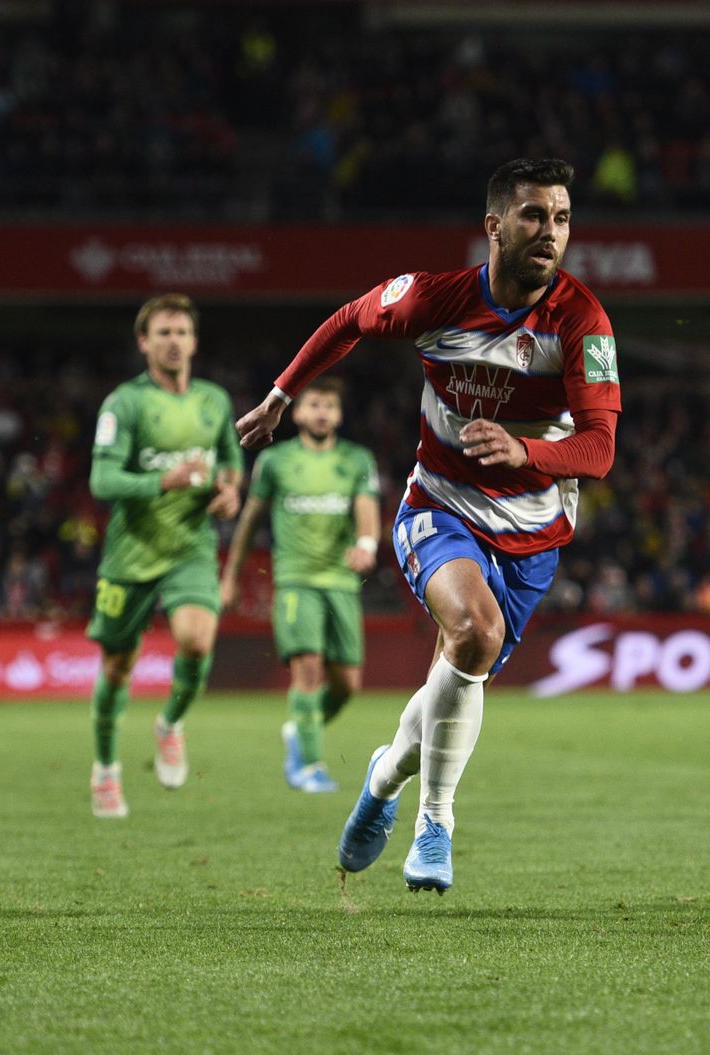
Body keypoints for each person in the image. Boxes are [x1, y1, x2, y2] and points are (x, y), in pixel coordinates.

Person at [235, 158, 620, 894]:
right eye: (535, 216)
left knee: (459, 671)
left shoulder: (581, 321)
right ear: (495, 226)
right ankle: (435, 823)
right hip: (439, 505)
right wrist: (285, 392)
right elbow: (351, 317)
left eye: (563, 219)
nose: (550, 233)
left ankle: (382, 778)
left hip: (534, 534)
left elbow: (599, 448)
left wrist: (528, 449)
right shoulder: (435, 299)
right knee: (473, 631)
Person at [86, 293, 243, 818]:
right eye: (163, 333)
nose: (174, 342)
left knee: (197, 642)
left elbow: (230, 462)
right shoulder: (124, 404)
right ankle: (106, 768)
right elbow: (102, 479)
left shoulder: (214, 401)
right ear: (144, 343)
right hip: (130, 555)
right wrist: (164, 479)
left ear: (194, 341)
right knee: (115, 669)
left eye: (181, 332)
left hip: (190, 548)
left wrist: (229, 492)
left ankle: (170, 723)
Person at [220, 377, 382, 794]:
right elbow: (249, 522)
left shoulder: (357, 459)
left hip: (341, 583)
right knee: (307, 672)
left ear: (340, 414)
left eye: (330, 405)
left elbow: (367, 508)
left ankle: (299, 730)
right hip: (296, 582)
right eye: (314, 404)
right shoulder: (275, 462)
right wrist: (231, 576)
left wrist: (366, 544)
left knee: (347, 685)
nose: (322, 412)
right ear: (297, 412)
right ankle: (308, 765)